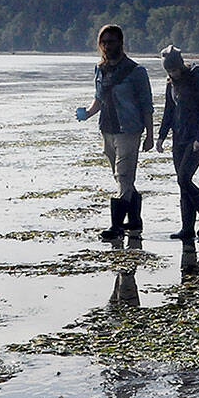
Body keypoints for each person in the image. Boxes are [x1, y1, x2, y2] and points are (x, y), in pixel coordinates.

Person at [77, 25, 154, 241]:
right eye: (104, 42)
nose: (107, 45)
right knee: (122, 178)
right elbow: (99, 99)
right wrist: (88, 113)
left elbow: (147, 104)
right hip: (107, 129)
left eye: (111, 41)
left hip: (129, 129)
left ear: (121, 43)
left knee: (123, 176)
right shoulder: (100, 70)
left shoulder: (136, 71)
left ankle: (116, 226)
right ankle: (135, 220)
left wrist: (150, 134)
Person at [155, 44, 199, 240]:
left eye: (174, 70)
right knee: (183, 185)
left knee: (183, 178)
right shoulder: (171, 83)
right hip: (179, 138)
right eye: (169, 71)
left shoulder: (197, 80)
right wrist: (161, 136)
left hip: (195, 139)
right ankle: (187, 229)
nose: (172, 74)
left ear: (181, 66)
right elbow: (169, 111)